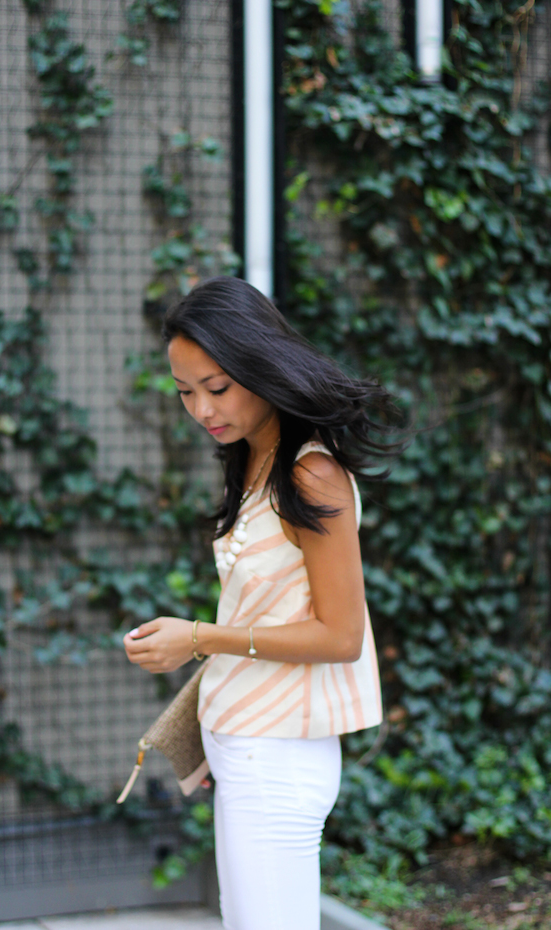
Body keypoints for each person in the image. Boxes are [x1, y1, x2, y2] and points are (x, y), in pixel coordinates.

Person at [123, 276, 400, 930]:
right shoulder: (253, 459)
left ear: (259, 365)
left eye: (216, 388)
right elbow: (265, 610)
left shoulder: (311, 473)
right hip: (246, 748)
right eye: (185, 392)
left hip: (277, 758)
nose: (201, 409)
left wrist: (197, 637)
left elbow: (340, 636)